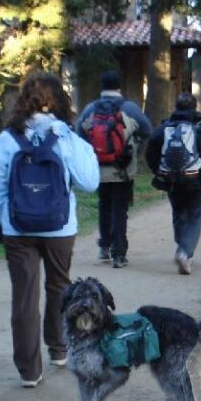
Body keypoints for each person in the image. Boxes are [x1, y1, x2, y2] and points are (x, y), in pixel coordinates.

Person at [0, 69, 99, 388]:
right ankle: (59, 348)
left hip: (17, 228)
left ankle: (29, 370)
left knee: (24, 296)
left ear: (23, 101)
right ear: (59, 99)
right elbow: (90, 182)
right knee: (59, 286)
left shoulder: (7, 138)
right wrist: (76, 143)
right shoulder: (67, 137)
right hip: (60, 227)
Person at [77, 71, 152, 268]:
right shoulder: (129, 108)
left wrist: (92, 152)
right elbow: (147, 130)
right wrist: (134, 149)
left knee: (104, 205)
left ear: (101, 87)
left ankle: (104, 246)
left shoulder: (90, 109)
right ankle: (119, 254)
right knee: (120, 209)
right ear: (120, 87)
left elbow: (79, 132)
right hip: (123, 169)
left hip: (98, 168)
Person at [146, 91, 201, 276]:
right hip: (197, 179)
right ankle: (184, 251)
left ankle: (182, 245)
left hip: (172, 180)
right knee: (195, 217)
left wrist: (158, 171)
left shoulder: (164, 128)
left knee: (179, 213)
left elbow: (151, 152)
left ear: (176, 107)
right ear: (194, 107)